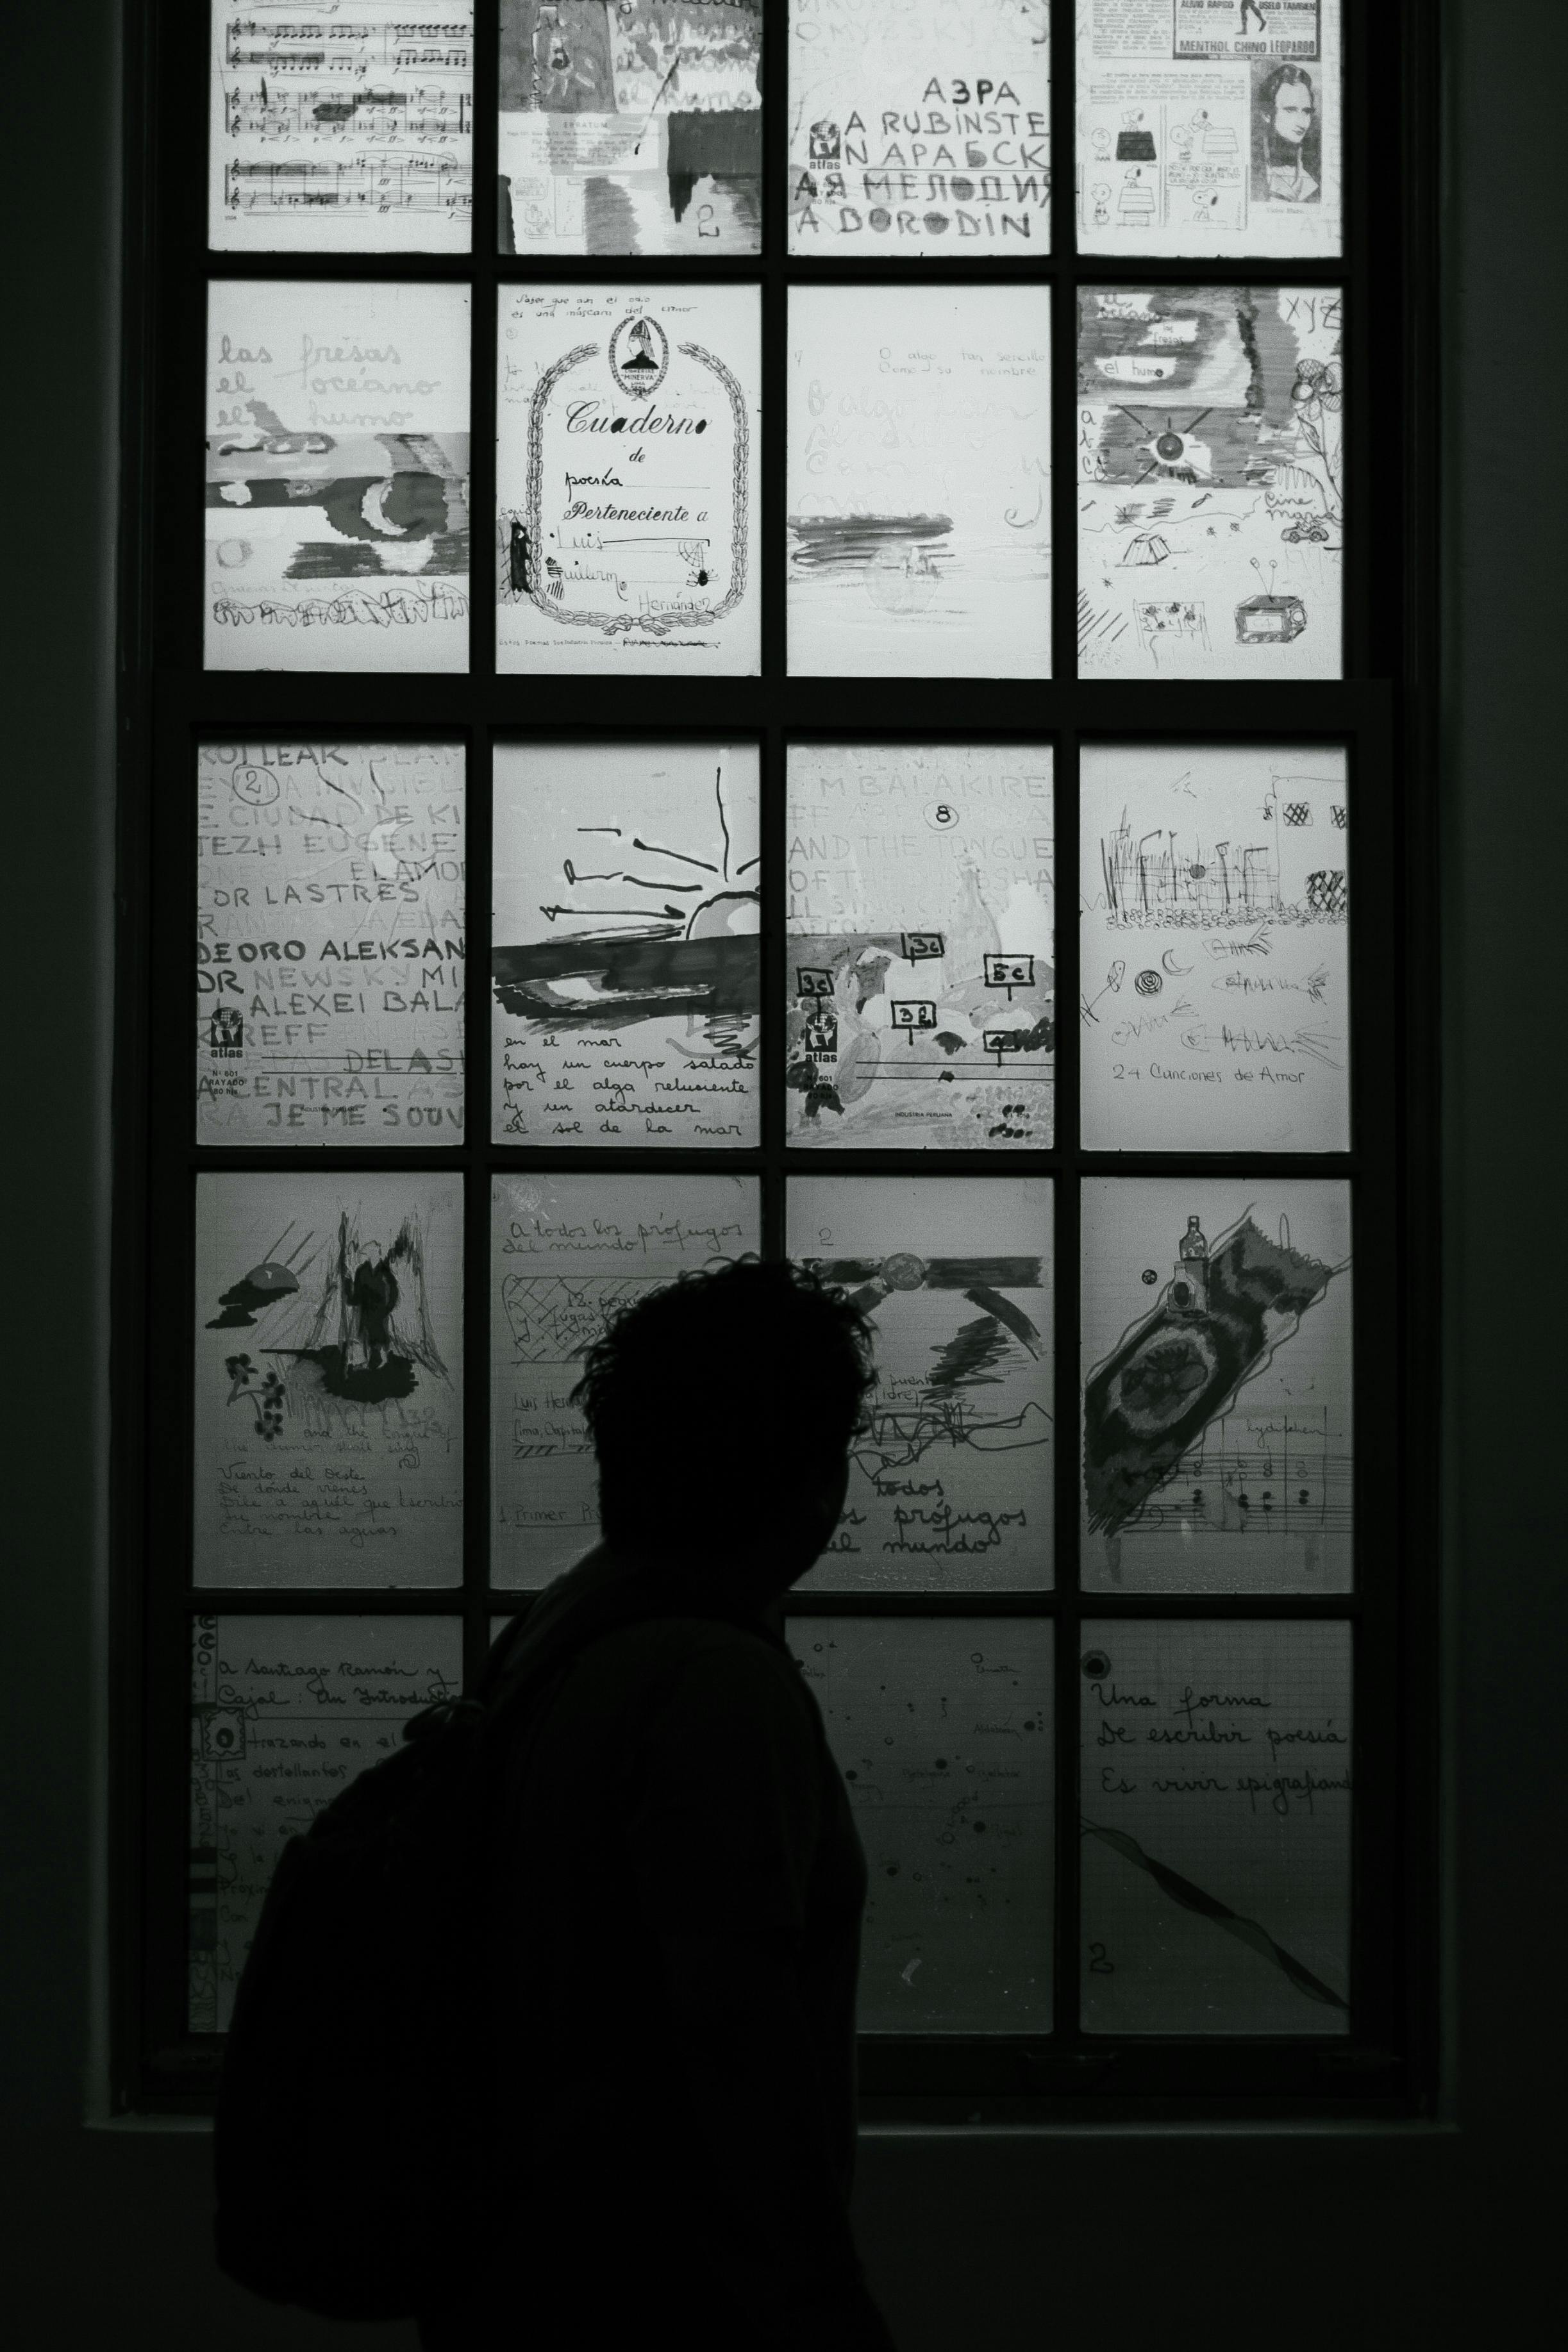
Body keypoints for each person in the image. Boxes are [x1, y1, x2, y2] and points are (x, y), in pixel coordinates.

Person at [415, 1258, 900, 2352]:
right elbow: (734, 2039)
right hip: (669, 2296)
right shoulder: (716, 1681)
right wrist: (824, 2302)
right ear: (811, 1477)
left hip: (524, 2272)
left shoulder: (562, 1626)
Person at [1254, 62, 1321, 204]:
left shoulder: (1314, 177)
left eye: (1307, 112)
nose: (1301, 122)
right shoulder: (1254, 169)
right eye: (1290, 110)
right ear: (1267, 114)